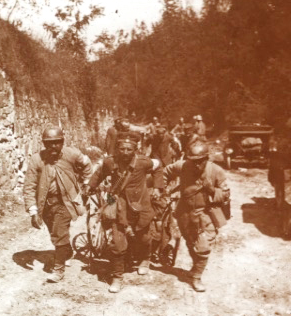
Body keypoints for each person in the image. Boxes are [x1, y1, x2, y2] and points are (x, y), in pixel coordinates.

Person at [83, 131, 164, 293]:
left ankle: (145, 260)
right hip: (117, 205)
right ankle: (117, 277)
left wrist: (157, 187)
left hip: (140, 204)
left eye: (129, 149)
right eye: (122, 149)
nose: (125, 153)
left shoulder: (142, 162)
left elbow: (159, 166)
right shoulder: (110, 162)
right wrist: (90, 187)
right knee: (118, 243)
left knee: (143, 236)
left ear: (135, 149)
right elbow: (99, 173)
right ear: (117, 148)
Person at [23, 126, 93, 283]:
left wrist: (87, 184)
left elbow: (87, 166)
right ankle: (66, 251)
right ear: (44, 144)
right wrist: (33, 211)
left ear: (62, 142)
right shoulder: (36, 160)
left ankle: (58, 270)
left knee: (59, 232)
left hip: (65, 203)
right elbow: (29, 186)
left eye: (56, 143)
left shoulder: (72, 154)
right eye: (48, 144)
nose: (53, 147)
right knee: (55, 234)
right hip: (46, 205)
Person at [163, 140, 230, 292]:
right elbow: (166, 172)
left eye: (200, 162)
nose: (197, 165)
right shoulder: (183, 165)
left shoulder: (216, 171)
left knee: (204, 246)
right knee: (191, 242)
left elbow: (225, 195)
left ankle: (196, 277)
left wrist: (211, 189)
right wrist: (163, 188)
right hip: (184, 213)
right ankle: (195, 268)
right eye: (193, 161)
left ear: (207, 158)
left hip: (205, 214)